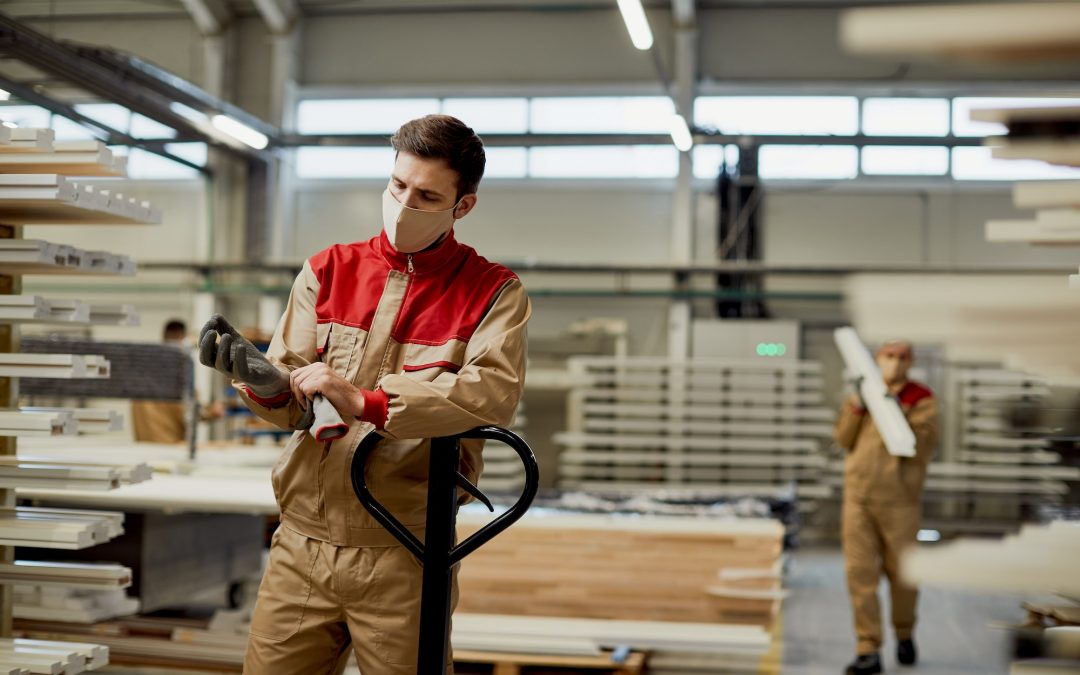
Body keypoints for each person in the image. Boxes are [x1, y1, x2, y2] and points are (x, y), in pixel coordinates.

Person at [199, 115, 530, 674]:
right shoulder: (327, 270)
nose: (404, 204)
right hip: (301, 542)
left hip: (404, 550)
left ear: (462, 206)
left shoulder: (494, 292)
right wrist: (268, 386)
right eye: (398, 185)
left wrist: (368, 402)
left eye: (426, 195)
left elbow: (488, 394)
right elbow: (295, 403)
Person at [834, 340, 939, 675]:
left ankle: (905, 633)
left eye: (902, 357)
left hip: (900, 502)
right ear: (877, 358)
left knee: (903, 574)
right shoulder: (864, 393)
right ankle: (868, 647)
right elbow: (842, 440)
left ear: (911, 362)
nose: (894, 362)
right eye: (889, 356)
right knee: (859, 573)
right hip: (859, 499)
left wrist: (892, 408)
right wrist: (858, 405)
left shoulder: (920, 399)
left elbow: (922, 444)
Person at [131, 319, 223, 443]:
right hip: (168, 446)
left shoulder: (144, 367)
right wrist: (212, 411)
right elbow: (188, 411)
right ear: (182, 337)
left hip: (143, 445)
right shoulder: (176, 370)